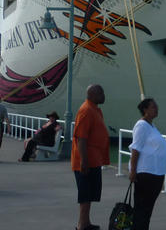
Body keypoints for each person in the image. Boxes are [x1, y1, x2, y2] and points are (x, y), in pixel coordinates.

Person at [71, 84, 110, 230]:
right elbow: (82, 138)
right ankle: (82, 225)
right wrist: (84, 161)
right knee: (85, 195)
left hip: (94, 160)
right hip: (87, 161)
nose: (104, 96)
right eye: (101, 93)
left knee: (90, 194)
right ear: (92, 95)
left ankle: (86, 223)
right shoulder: (86, 111)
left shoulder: (95, 110)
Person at [129, 98, 166, 230]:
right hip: (146, 173)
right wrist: (133, 171)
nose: (156, 109)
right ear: (145, 110)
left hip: (156, 173)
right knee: (142, 208)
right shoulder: (141, 126)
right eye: (153, 107)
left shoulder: (151, 126)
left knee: (147, 209)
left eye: (156, 106)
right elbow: (136, 149)